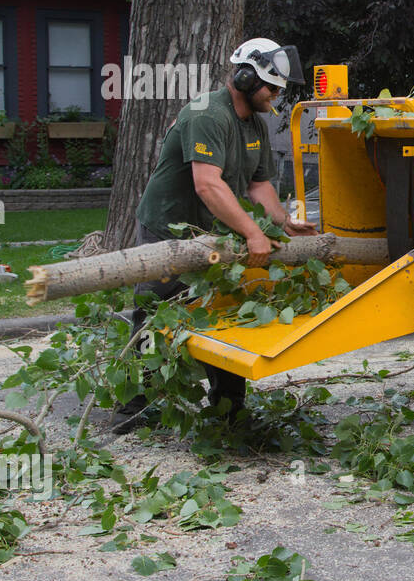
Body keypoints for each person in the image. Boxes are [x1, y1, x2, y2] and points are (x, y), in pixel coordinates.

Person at [114, 38, 315, 434]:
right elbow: (208, 185)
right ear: (243, 78)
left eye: (279, 90)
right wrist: (253, 233)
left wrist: (282, 222)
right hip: (170, 227)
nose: (275, 96)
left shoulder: (255, 123)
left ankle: (229, 407)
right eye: (271, 88)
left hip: (213, 230)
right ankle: (133, 408)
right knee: (154, 312)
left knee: (220, 310)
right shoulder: (207, 113)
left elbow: (259, 186)